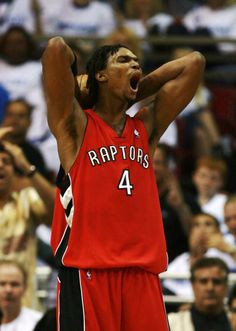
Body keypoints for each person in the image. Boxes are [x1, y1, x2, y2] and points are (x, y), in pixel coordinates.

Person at [42, 36, 205, 330]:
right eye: (123, 60)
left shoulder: (146, 128)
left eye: (137, 62)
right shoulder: (75, 126)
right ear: (100, 75)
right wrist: (89, 83)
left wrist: (133, 87)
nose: (134, 64)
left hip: (142, 273)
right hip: (89, 271)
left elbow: (194, 63)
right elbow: (55, 48)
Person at [0, 127, 56, 308]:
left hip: (25, 309)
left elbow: (61, 211)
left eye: (6, 161)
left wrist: (26, 166)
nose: (0, 165)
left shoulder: (26, 200)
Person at [163, 212, 236, 299]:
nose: (201, 229)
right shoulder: (183, 259)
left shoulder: (227, 254)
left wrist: (228, 250)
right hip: (177, 306)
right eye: (196, 225)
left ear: (218, 232)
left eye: (208, 224)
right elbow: (164, 282)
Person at [168, 257, 232, 331]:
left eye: (216, 281)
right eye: (203, 281)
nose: (210, 288)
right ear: (193, 285)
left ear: (226, 285)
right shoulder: (171, 323)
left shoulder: (234, 320)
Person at [0, 259, 43, 330]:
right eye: (2, 284)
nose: (8, 290)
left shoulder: (38, 323)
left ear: (25, 288)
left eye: (14, 284)